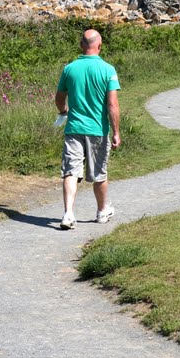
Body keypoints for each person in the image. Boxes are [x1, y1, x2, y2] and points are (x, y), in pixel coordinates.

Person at [55, 29, 121, 230]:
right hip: (97, 129)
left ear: (81, 45)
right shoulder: (108, 70)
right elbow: (112, 105)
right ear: (99, 45)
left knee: (70, 171)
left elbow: (59, 98)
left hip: (74, 128)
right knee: (99, 172)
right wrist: (116, 132)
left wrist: (64, 111)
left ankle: (68, 214)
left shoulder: (70, 69)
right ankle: (102, 212)